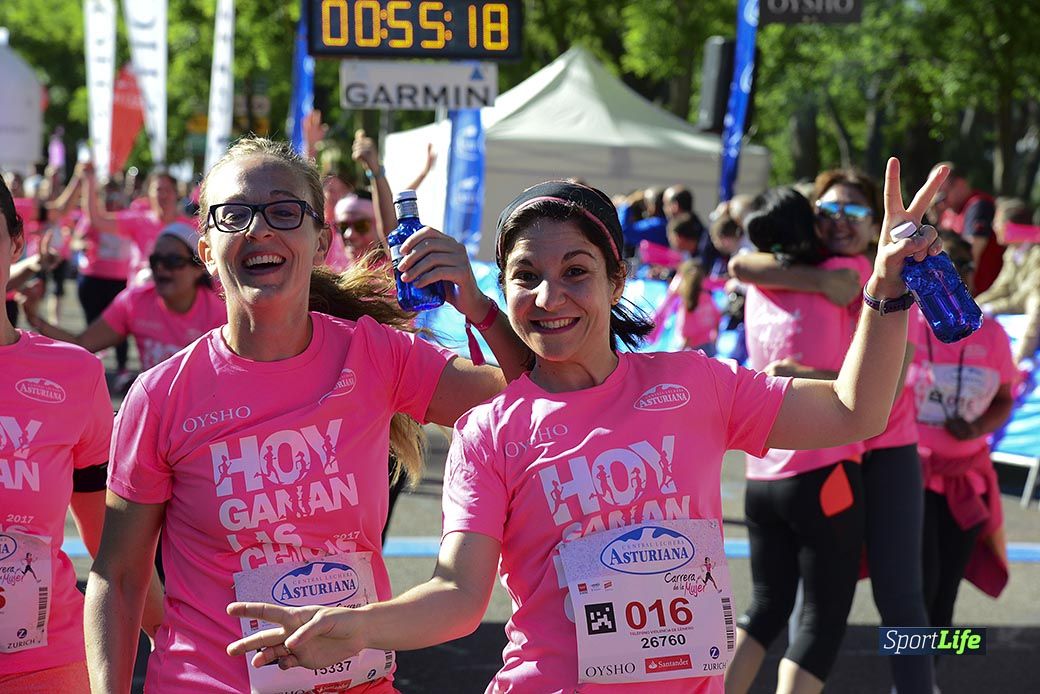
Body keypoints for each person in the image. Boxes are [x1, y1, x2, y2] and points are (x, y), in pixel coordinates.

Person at [226, 161, 948, 694]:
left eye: (576, 271)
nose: (549, 297)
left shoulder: (691, 384)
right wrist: (362, 625)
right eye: (525, 276)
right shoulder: (491, 432)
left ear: (617, 277)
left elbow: (857, 411)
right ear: (500, 287)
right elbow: (457, 596)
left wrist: (886, 290)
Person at [83, 136, 528, 694]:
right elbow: (119, 577)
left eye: (284, 211)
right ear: (206, 250)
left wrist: (481, 307)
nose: (259, 228)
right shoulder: (161, 396)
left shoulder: (374, 354)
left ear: (321, 241)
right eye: (234, 214)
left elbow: (523, 396)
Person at [730, 170, 934, 692]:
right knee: (804, 606)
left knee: (898, 597)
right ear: (813, 217)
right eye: (830, 210)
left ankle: (917, 685)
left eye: (856, 212)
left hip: (883, 447)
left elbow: (893, 378)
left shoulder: (870, 275)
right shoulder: (818, 271)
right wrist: (812, 277)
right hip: (825, 450)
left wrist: (802, 377)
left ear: (874, 224)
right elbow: (740, 262)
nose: (842, 221)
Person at [0, 175, 157, 693]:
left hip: (44, 665)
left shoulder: (72, 375)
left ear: (16, 242)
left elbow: (113, 548)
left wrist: (176, 638)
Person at [908, 231, 1015, 642]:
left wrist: (976, 428)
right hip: (912, 476)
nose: (952, 275)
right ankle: (909, 674)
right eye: (941, 265)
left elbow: (1004, 398)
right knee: (919, 584)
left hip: (966, 478)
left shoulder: (993, 333)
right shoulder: (907, 325)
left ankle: (926, 675)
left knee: (946, 588)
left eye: (962, 265)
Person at [23, 222, 225, 374]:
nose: (161, 268)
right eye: (156, 260)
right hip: (156, 409)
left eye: (173, 261)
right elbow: (82, 344)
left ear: (199, 268)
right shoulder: (135, 302)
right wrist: (36, 320)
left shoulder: (221, 314)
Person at [80, 162, 192, 286]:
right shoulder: (139, 221)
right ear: (149, 194)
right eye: (158, 190)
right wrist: (89, 181)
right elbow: (97, 220)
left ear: (177, 194)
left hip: (176, 298)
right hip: (140, 295)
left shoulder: (189, 227)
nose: (163, 195)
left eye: (168, 190)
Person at [927, 162, 1002, 293]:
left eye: (941, 194)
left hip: (981, 296)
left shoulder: (978, 205)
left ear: (960, 183)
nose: (938, 200)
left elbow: (971, 256)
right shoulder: (948, 213)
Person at [975, 198, 1040, 318]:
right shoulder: (1011, 253)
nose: (994, 227)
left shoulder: (1036, 255)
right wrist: (975, 305)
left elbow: (1023, 299)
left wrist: (992, 308)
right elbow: (1001, 288)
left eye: (997, 222)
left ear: (1011, 225)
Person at [649, 258, 722, 353]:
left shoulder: (688, 303)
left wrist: (678, 354)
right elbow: (717, 318)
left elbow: (686, 336)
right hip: (709, 347)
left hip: (693, 351)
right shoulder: (707, 298)